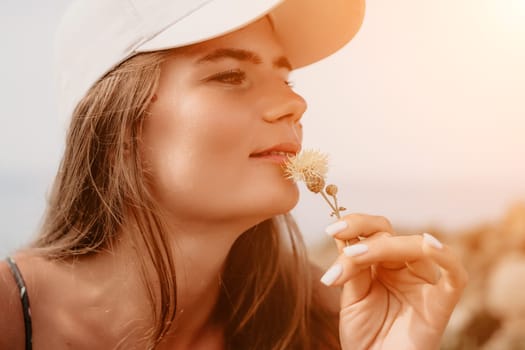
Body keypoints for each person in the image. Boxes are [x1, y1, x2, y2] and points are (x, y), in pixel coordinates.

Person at [0, 0, 468, 349]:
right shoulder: (9, 317)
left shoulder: (325, 319)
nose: (295, 103)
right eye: (229, 76)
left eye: (286, 80)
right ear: (118, 124)